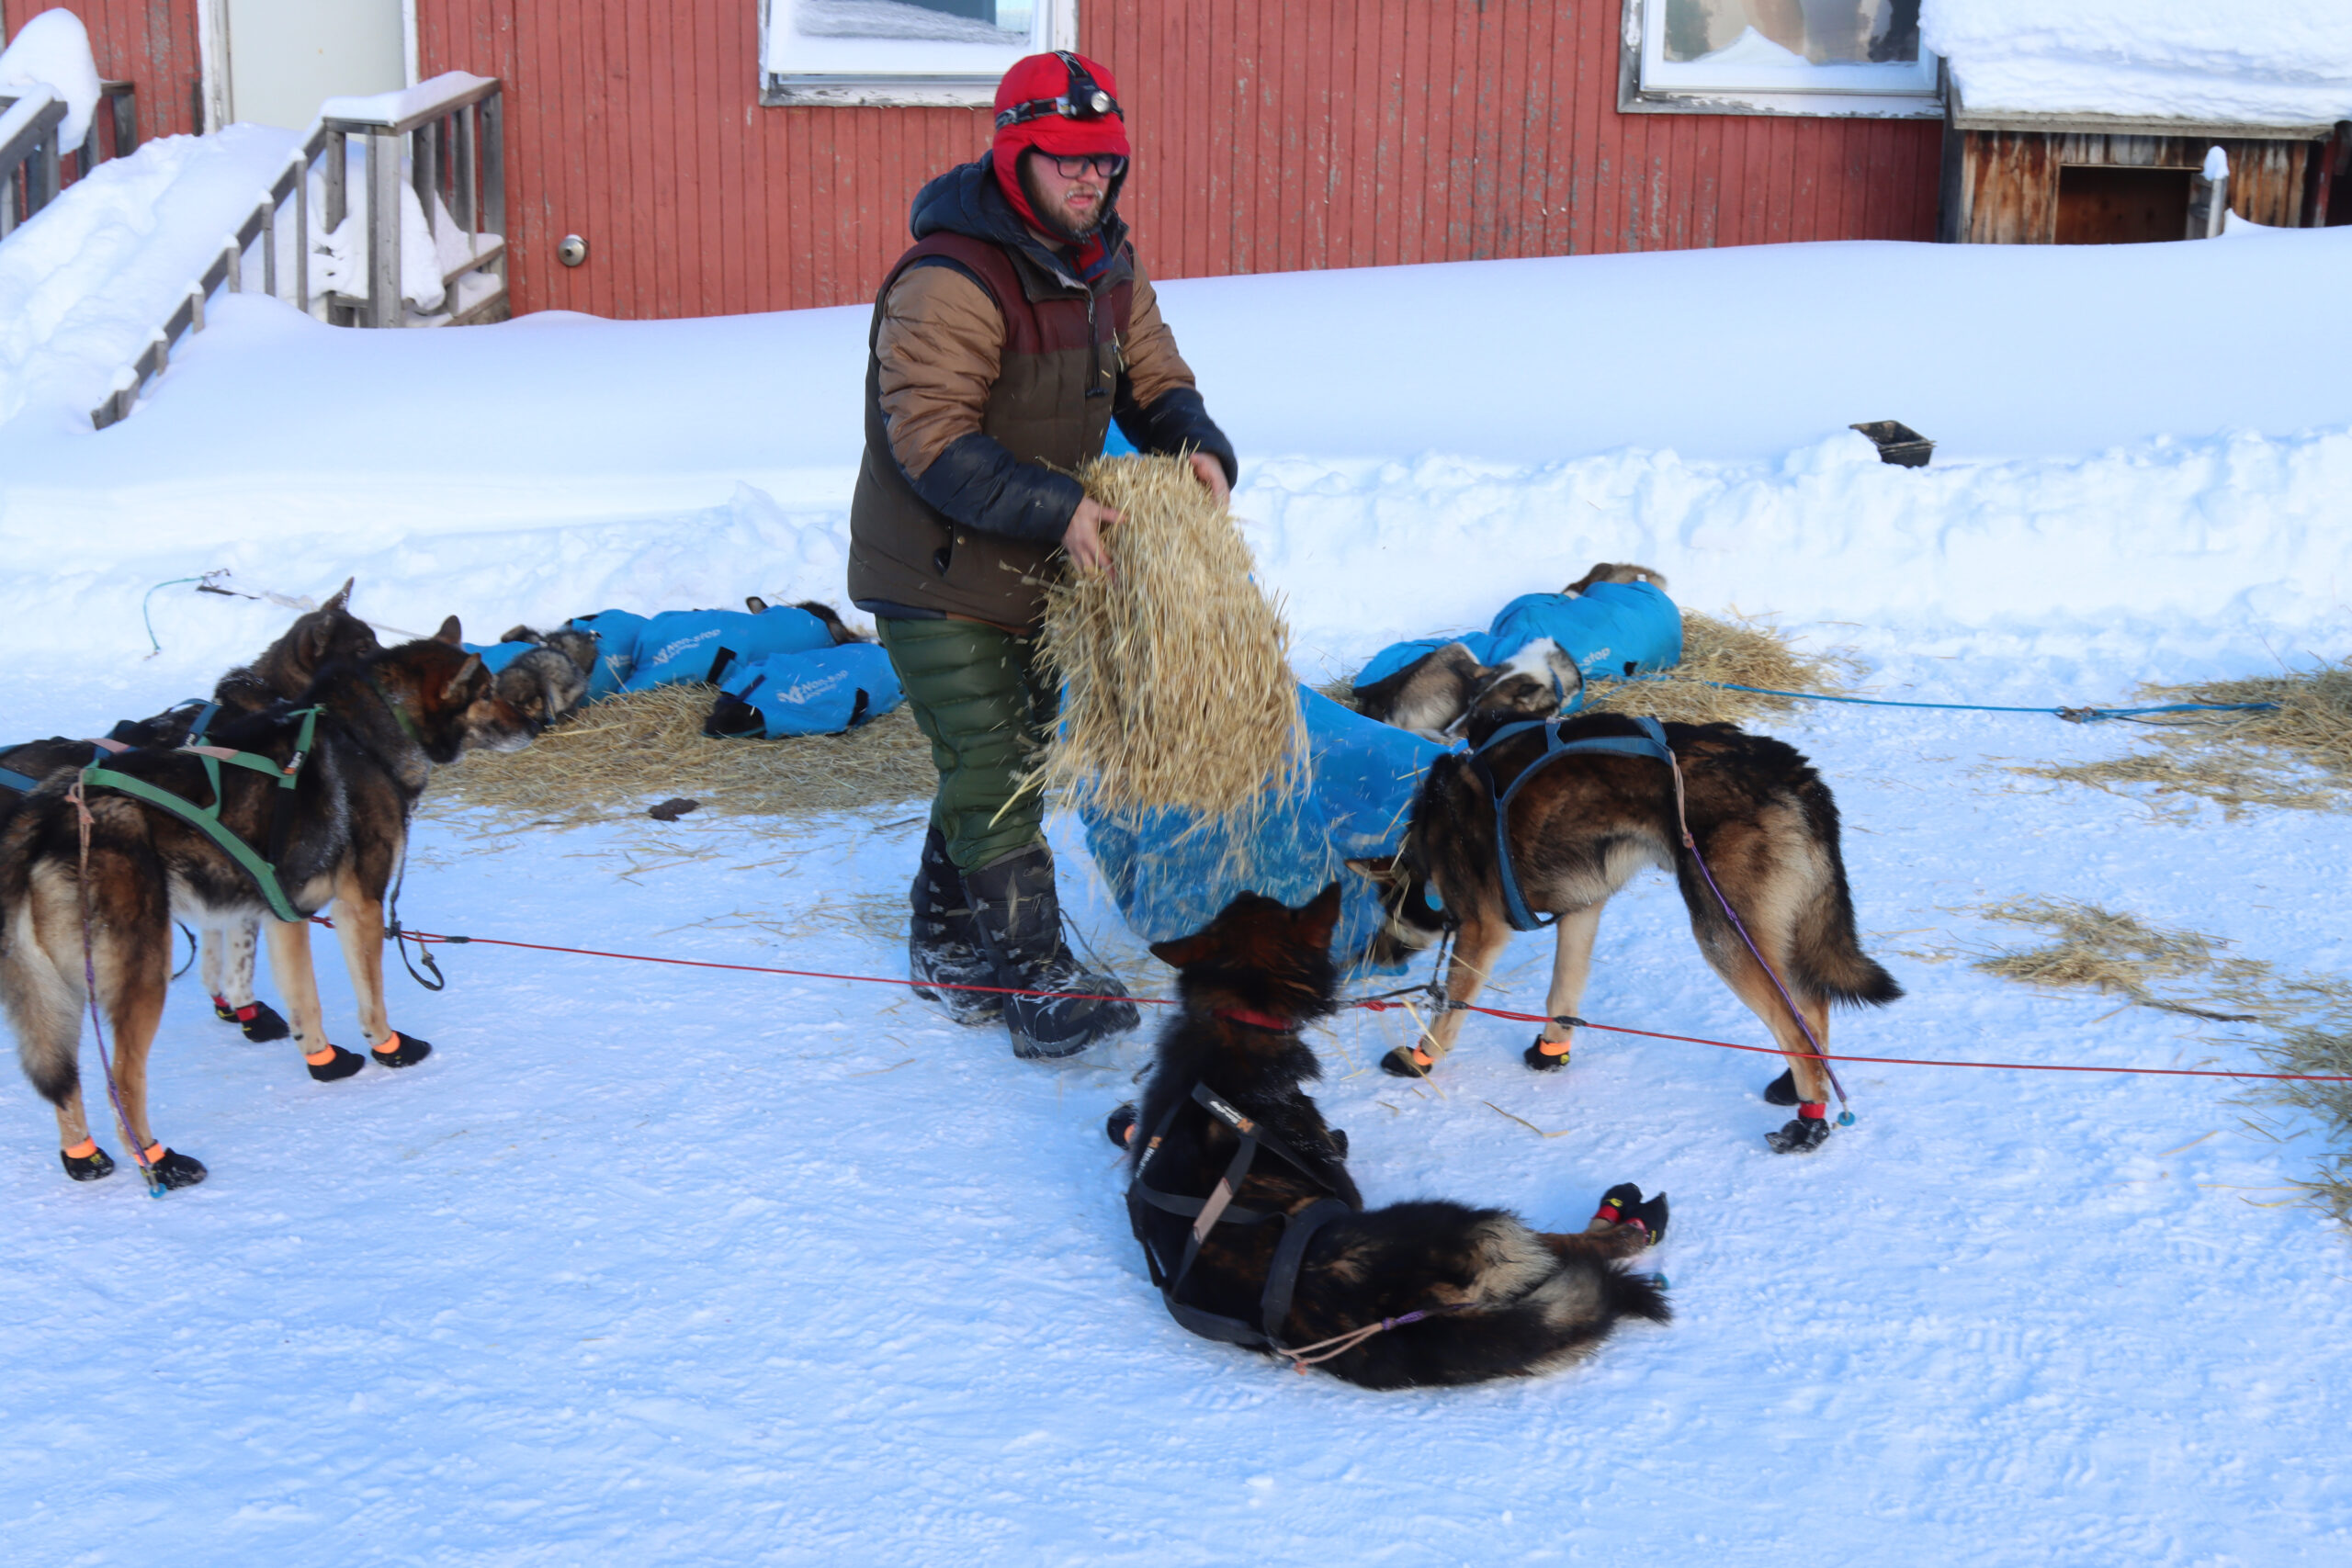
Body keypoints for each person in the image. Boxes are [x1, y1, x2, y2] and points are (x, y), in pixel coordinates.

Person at [847, 51, 1238, 1061]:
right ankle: (1031, 974)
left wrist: (1194, 447)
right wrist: (1058, 504)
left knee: (1003, 758)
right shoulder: (951, 277)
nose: (1089, 181)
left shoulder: (1107, 264)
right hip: (935, 567)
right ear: (1015, 155)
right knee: (996, 767)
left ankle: (943, 949)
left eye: (1104, 162)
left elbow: (1153, 375)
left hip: (1037, 559)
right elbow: (928, 438)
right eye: (1066, 161)